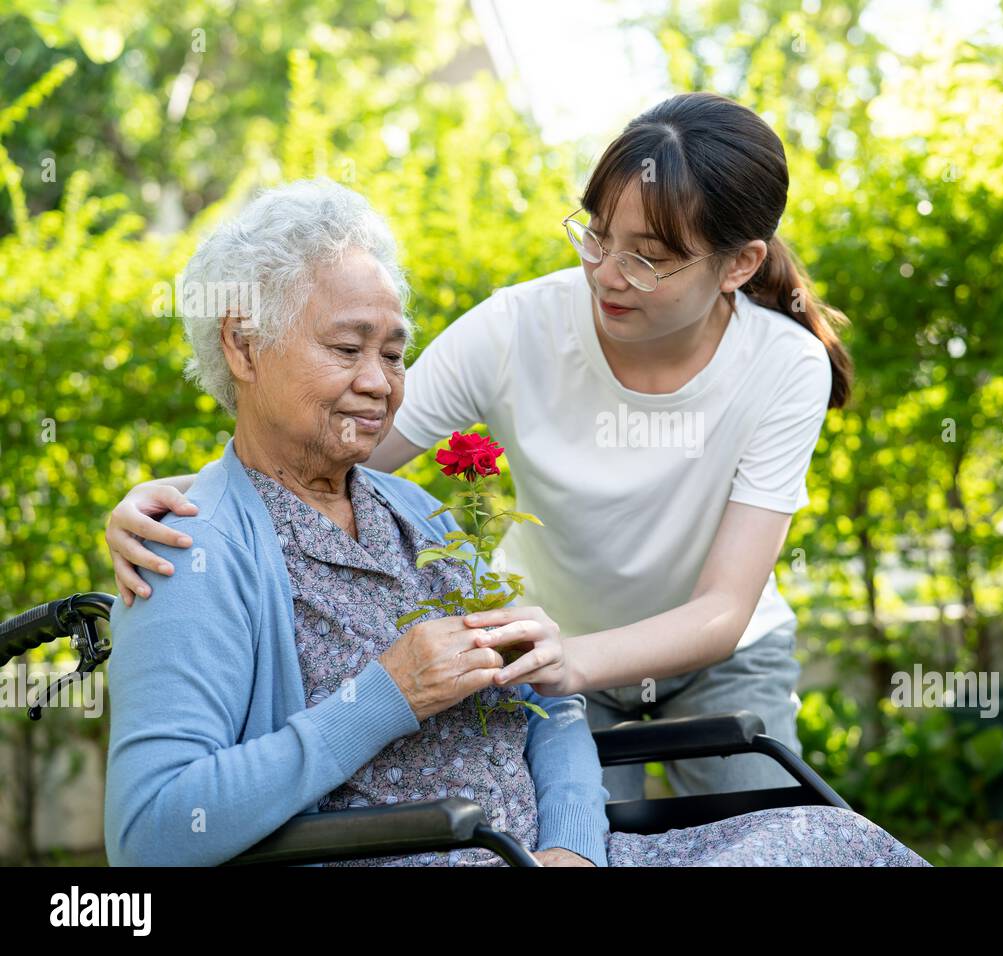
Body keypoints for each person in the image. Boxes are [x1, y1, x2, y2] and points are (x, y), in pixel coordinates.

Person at [105, 179, 929, 867]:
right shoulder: (187, 550)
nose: (380, 382)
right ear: (243, 347)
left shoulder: (420, 519)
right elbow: (149, 833)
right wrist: (385, 694)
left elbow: (549, 705)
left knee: (829, 840)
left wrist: (573, 847)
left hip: (556, 858)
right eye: (348, 346)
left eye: (394, 355)